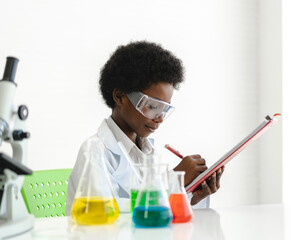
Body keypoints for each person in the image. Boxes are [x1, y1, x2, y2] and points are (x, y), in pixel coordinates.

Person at [66, 41, 224, 214]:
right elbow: (105, 215)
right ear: (120, 97)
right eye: (152, 106)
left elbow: (160, 214)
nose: (160, 119)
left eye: (164, 109)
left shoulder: (149, 153)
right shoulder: (95, 152)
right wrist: (174, 180)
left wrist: (191, 195)